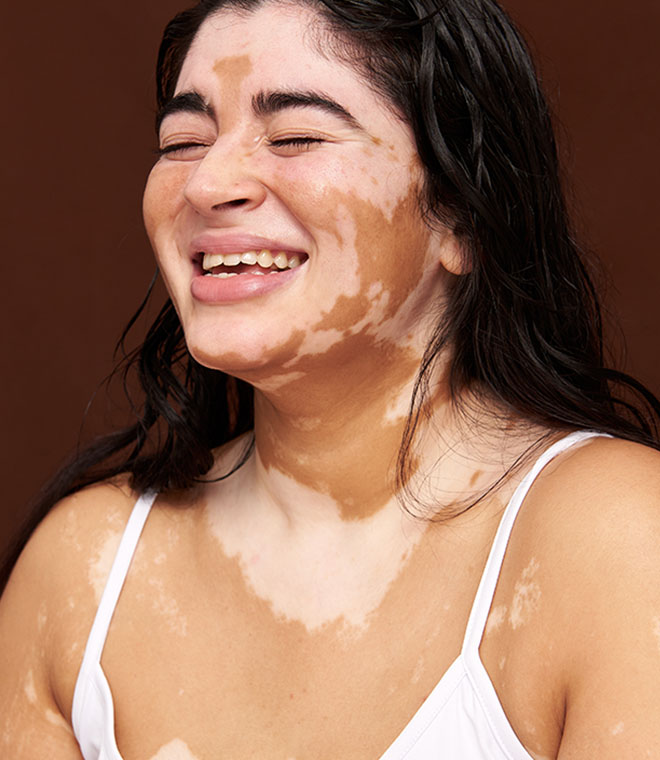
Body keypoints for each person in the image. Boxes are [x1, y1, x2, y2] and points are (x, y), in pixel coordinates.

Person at [2, 0, 660, 757]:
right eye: (183, 141)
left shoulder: (614, 540)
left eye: (295, 137)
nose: (209, 183)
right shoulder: (82, 576)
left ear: (461, 216)